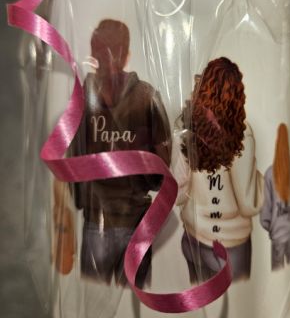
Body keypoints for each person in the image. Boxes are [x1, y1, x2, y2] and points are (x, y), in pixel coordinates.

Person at [53, 19, 171, 288]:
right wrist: (143, 183)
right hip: (136, 220)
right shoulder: (147, 96)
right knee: (135, 300)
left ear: (93, 54)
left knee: (93, 296)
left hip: (97, 221)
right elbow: (162, 163)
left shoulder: (82, 98)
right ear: (126, 55)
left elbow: (73, 157)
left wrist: (83, 198)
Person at [175, 57, 263, 282]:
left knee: (197, 302)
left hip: (193, 240)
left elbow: (177, 191)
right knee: (240, 302)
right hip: (230, 248)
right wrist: (262, 182)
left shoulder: (187, 124)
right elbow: (248, 204)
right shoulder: (242, 135)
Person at [260, 123, 290, 271]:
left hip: (277, 234)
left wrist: (271, 227)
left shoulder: (269, 173)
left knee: (278, 273)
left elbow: (265, 212)